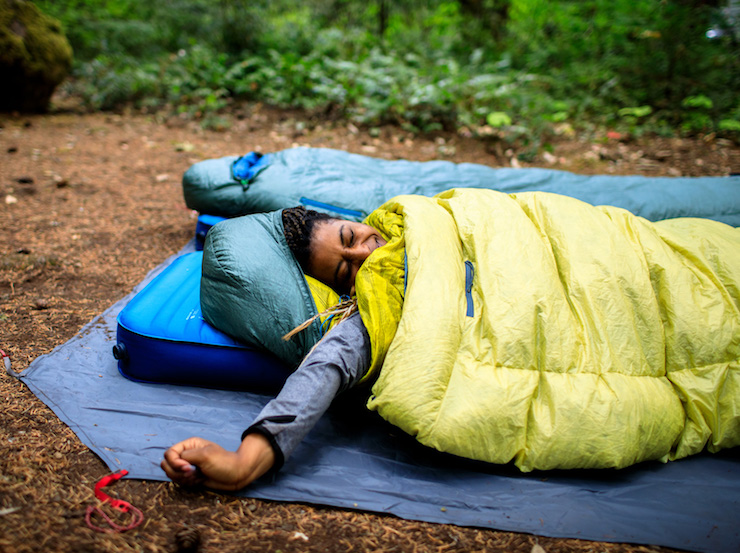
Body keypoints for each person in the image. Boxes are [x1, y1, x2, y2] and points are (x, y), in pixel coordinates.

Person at [161, 208, 383, 490]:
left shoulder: (404, 219)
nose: (364, 255)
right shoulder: (370, 316)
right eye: (346, 271)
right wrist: (244, 463)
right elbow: (327, 364)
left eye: (350, 236)